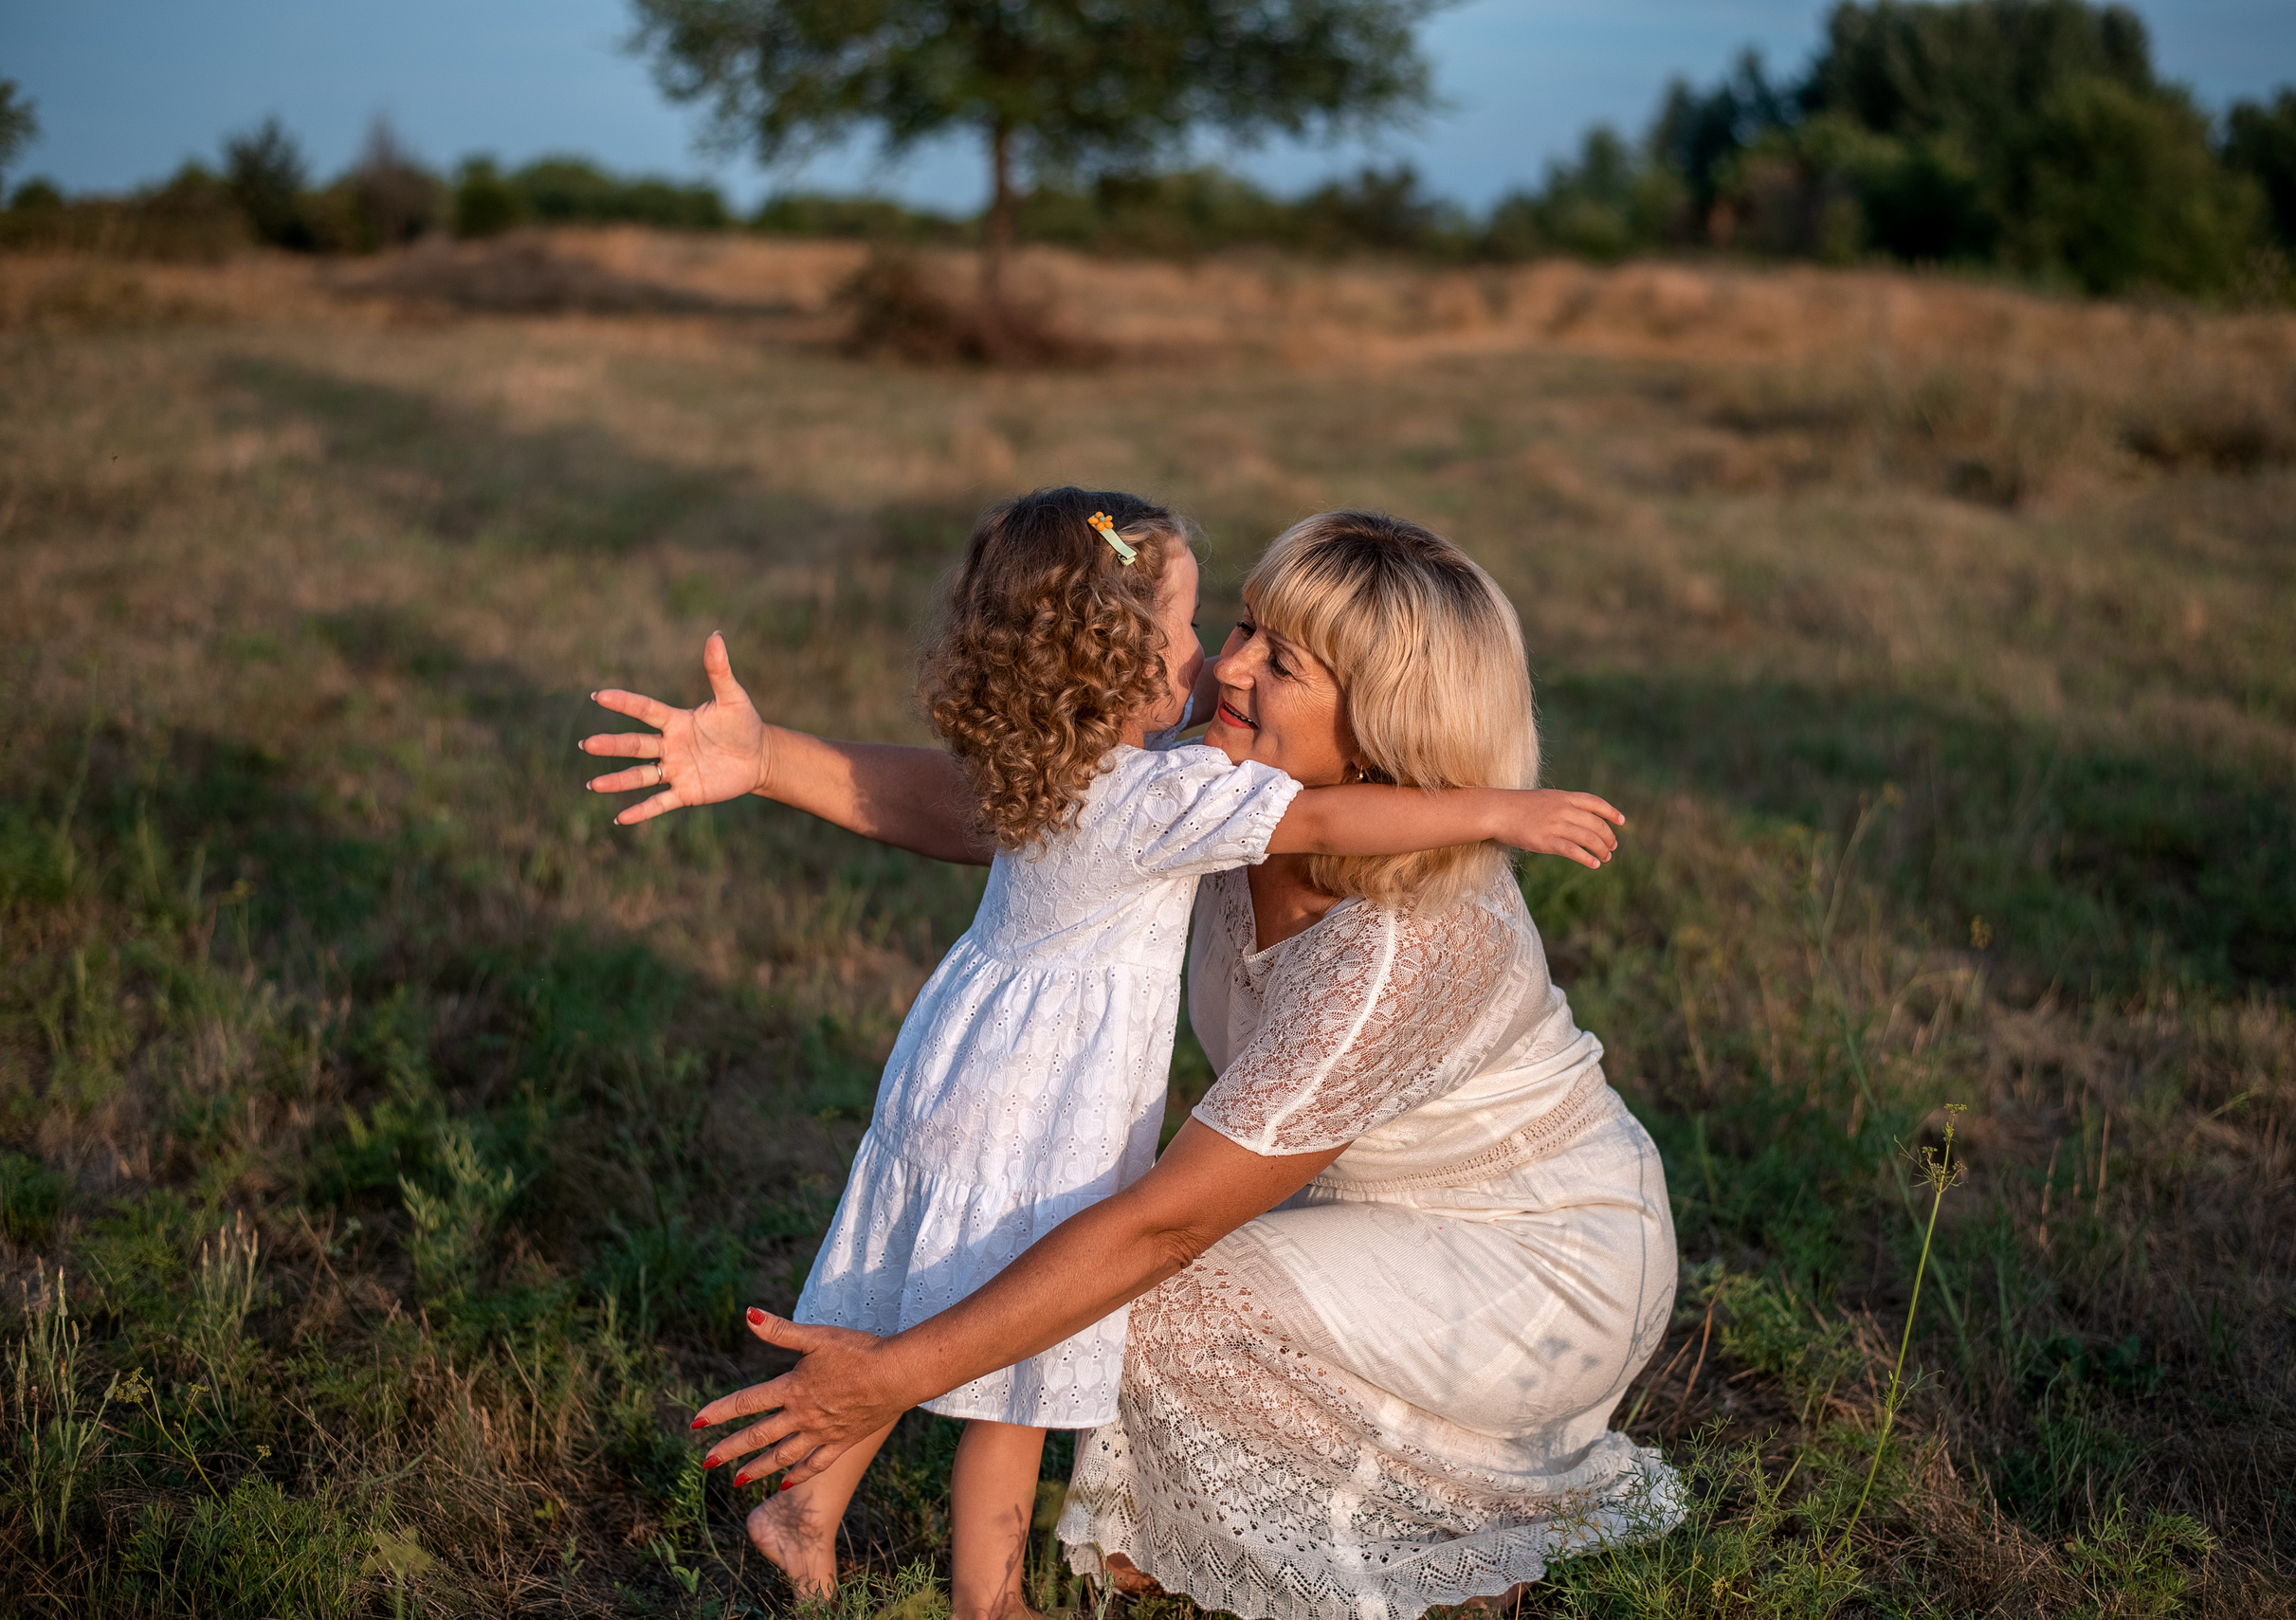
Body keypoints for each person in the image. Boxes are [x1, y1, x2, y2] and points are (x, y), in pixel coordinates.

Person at [578, 490, 1628, 1620]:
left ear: (1383, 726)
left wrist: (885, 1374)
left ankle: (1414, 1519)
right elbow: (999, 808)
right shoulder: (1193, 788)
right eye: (1233, 628)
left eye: (1286, 663)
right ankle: (984, 1586)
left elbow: (1165, 1219)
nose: (1226, 670)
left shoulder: (1377, 923)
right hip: (1154, 1143)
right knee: (1044, 1319)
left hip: (1521, 1253)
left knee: (1039, 1295)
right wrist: (770, 756)